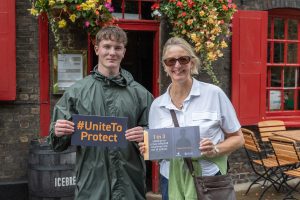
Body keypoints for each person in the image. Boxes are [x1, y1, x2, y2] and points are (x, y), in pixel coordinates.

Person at [48, 26, 153, 200]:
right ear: (97, 49)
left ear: (124, 52)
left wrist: (146, 135)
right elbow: (56, 144)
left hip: (129, 185)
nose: (112, 52)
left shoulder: (141, 94)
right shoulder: (76, 93)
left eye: (117, 48)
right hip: (92, 186)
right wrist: (58, 132)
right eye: (107, 46)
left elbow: (158, 137)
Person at [140, 37, 244, 199]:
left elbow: (238, 138)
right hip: (171, 180)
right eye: (170, 61)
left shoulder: (213, 94)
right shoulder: (157, 106)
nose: (177, 65)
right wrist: (149, 149)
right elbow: (158, 153)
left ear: (192, 63)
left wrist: (215, 149)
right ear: (165, 66)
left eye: (183, 59)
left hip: (209, 179)